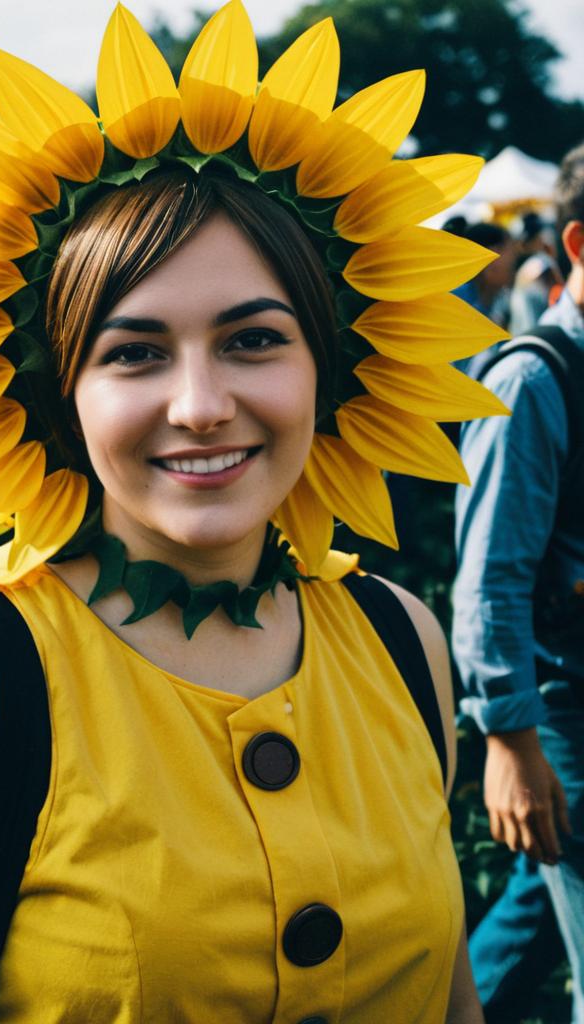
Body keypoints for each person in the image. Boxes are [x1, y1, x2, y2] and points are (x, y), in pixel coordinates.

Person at [0, 5, 499, 1021]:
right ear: (60, 396)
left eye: (255, 339)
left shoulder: (402, 642)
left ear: (331, 363)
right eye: (133, 351)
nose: (201, 404)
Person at [452, 141, 584, 1023]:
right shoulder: (534, 376)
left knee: (541, 906)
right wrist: (511, 741)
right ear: (577, 246)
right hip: (565, 701)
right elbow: (489, 581)